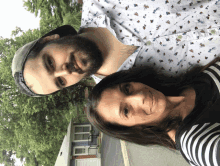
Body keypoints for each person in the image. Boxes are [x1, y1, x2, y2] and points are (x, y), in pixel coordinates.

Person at [12, 0, 220, 96]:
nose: (65, 70)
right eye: (60, 81)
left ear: (50, 39)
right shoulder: (129, 95)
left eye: (50, 62)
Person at [87, 57, 220, 166]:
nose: (139, 97)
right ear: (129, 129)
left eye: (127, 89)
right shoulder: (196, 143)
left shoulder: (189, 81)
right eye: (126, 111)